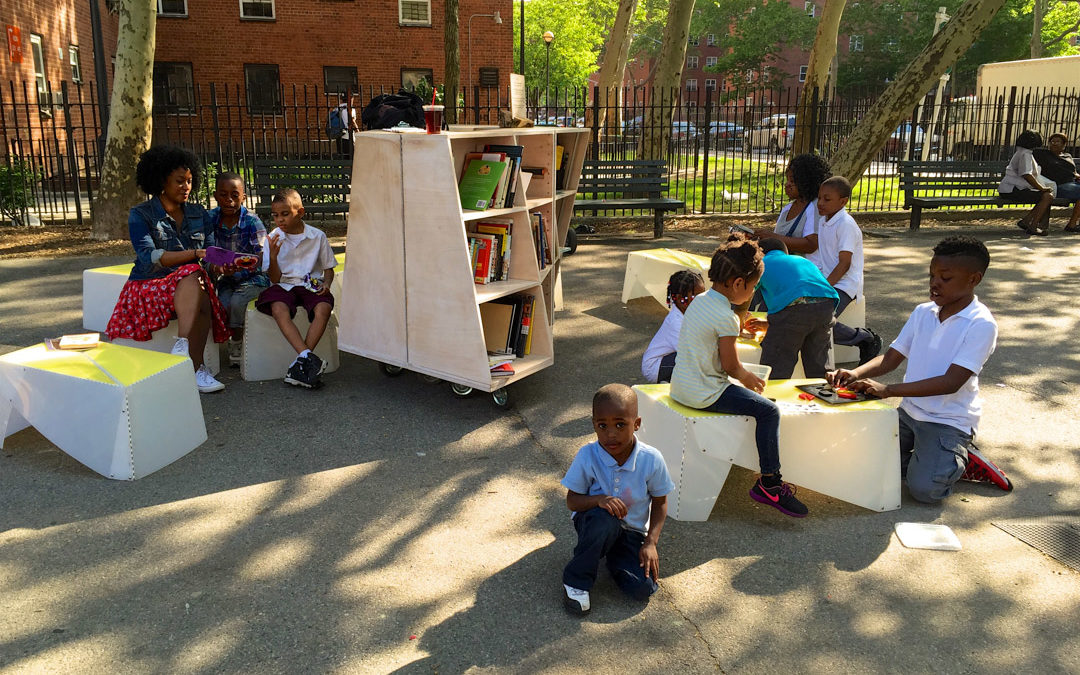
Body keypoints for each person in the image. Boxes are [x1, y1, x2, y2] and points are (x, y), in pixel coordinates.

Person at [829, 235, 997, 504]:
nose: (934, 283)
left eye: (945, 278)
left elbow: (951, 382)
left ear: (973, 279)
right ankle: (933, 460)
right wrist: (855, 374)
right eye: (932, 275)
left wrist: (888, 390)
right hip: (909, 413)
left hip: (948, 421)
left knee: (925, 491)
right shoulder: (923, 312)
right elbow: (891, 358)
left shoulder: (980, 324)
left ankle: (955, 460)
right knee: (856, 461)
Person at [669, 234, 808, 517]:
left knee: (755, 403)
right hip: (704, 394)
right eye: (754, 286)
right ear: (738, 284)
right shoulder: (726, 317)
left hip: (680, 386)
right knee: (769, 411)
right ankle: (770, 483)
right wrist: (747, 378)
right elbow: (731, 366)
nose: (754, 292)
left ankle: (768, 479)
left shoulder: (700, 301)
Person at [105, 145, 230, 394]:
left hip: (190, 284)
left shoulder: (198, 213)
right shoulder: (140, 214)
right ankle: (192, 362)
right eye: (179, 181)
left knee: (199, 281)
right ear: (161, 180)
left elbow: (210, 251)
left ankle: (192, 364)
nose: (186, 187)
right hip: (149, 285)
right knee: (194, 274)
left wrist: (221, 264)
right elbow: (150, 257)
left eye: (190, 181)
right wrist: (195, 255)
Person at [561, 384, 674, 615]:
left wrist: (651, 543)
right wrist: (599, 500)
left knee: (643, 588)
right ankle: (576, 580)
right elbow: (572, 501)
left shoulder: (651, 459)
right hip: (594, 522)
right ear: (594, 425)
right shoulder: (588, 455)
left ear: (637, 424)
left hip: (632, 532)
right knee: (605, 521)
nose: (611, 434)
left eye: (620, 424)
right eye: (602, 426)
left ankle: (614, 555)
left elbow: (661, 502)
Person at [256, 188, 338, 388]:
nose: (280, 220)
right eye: (275, 215)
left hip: (310, 284)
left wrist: (326, 284)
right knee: (277, 307)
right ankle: (307, 359)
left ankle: (302, 362)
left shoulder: (317, 236)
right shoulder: (273, 238)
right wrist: (273, 257)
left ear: (300, 212)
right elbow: (274, 279)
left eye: (285, 214)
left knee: (323, 308)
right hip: (284, 284)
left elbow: (328, 269)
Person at [807, 175, 881, 365]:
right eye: (820, 198)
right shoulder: (824, 222)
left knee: (820, 321)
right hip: (827, 280)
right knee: (803, 316)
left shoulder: (846, 225)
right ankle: (861, 338)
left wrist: (825, 287)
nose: (820, 203)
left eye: (827, 199)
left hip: (845, 284)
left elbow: (844, 264)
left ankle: (865, 339)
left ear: (843, 201)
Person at [747, 238, 839, 379]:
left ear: (759, 254)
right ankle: (824, 393)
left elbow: (747, 294)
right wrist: (772, 325)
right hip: (826, 306)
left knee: (777, 363)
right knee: (818, 364)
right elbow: (807, 304)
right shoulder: (802, 261)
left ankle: (773, 397)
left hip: (794, 307)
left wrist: (738, 319)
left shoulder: (761, 263)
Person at [209, 172, 270, 366]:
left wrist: (245, 266)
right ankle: (231, 336)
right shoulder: (210, 219)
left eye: (235, 195)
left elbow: (262, 255)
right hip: (227, 277)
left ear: (243, 196)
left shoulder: (252, 222)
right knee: (223, 302)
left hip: (254, 278)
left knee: (237, 302)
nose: (229, 200)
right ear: (215, 195)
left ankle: (236, 342)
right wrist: (218, 269)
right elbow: (206, 251)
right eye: (223, 194)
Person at [756, 152, 831, 255]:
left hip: (806, 268)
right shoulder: (787, 209)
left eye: (792, 181)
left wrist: (774, 238)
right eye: (787, 180)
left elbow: (811, 245)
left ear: (806, 181)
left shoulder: (815, 207)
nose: (787, 185)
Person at [641, 270, 705, 383]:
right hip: (655, 368)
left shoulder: (691, 311)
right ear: (681, 298)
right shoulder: (675, 322)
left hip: (669, 359)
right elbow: (691, 353)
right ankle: (667, 380)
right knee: (696, 358)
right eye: (697, 296)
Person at [998, 129, 1055, 236]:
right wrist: (1041, 188)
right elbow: (1026, 174)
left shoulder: (1023, 152)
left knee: (1046, 196)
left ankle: (1026, 221)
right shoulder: (1025, 154)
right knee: (1047, 196)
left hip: (1013, 188)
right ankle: (1032, 226)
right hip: (1012, 189)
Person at [1032, 132, 1080, 232]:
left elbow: (1074, 172)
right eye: (1052, 141)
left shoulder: (1068, 156)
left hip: (1073, 184)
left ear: (1064, 145)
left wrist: (1078, 176)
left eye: (1057, 141)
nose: (1054, 143)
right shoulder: (1043, 154)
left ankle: (1072, 224)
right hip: (1058, 185)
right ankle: (1071, 225)